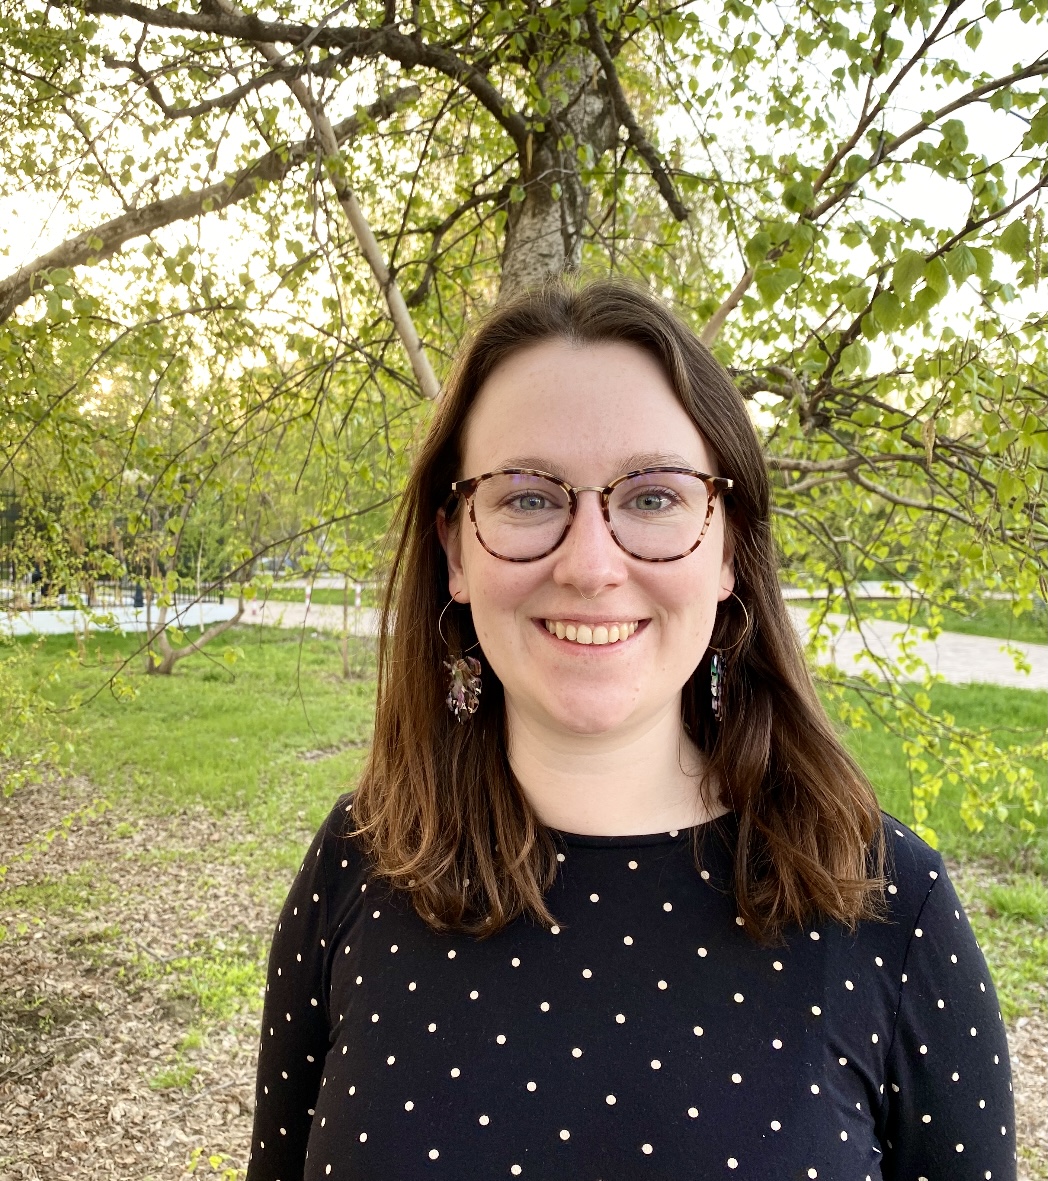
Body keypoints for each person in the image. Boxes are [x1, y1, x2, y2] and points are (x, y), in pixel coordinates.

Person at [246, 280, 1015, 1181]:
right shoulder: (357, 867)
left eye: (653, 498)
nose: (590, 564)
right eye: (528, 498)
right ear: (456, 548)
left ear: (728, 546)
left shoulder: (891, 908)